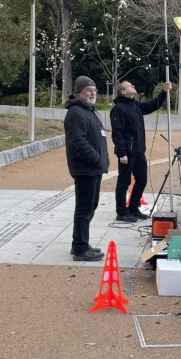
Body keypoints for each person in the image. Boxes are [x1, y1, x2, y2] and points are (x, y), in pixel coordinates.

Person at [110, 80, 170, 222]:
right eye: (130, 85)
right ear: (123, 92)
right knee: (124, 182)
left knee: (142, 180)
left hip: (139, 151)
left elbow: (152, 105)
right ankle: (121, 212)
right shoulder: (118, 109)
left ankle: (133, 207)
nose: (133, 86)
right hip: (127, 152)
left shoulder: (135, 105)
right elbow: (117, 133)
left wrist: (164, 92)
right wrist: (121, 153)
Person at [64, 76, 109, 262]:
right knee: (84, 209)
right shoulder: (76, 113)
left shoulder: (89, 111)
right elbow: (78, 142)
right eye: (88, 90)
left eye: (94, 89)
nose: (92, 93)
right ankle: (80, 248)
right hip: (86, 169)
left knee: (90, 206)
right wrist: (96, 159)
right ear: (78, 93)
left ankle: (80, 243)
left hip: (94, 168)